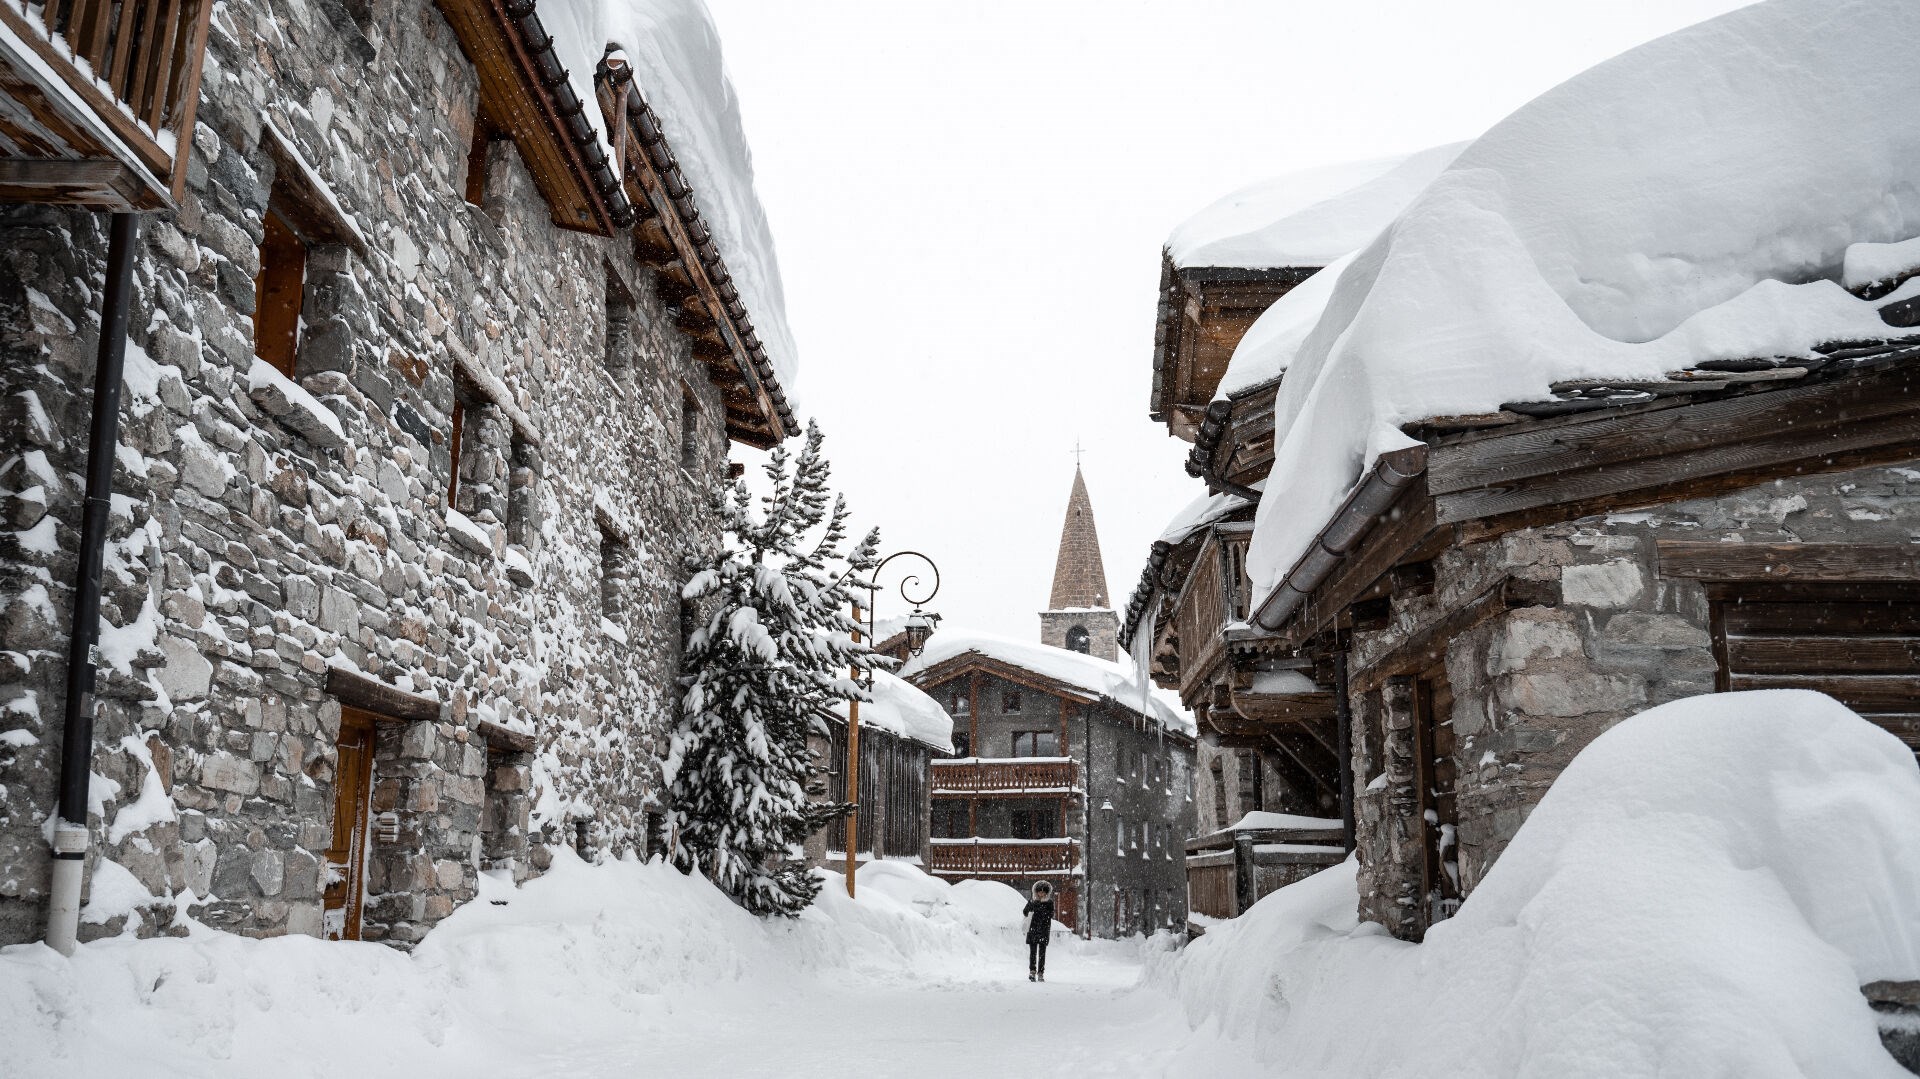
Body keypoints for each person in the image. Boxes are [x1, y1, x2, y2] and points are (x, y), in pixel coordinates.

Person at [1022, 881, 1055, 982]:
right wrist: (1031, 906)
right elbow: (1025, 911)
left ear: (1046, 892)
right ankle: (1032, 971)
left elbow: (1051, 914)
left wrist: (1041, 911)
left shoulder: (1049, 903)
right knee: (1032, 953)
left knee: (1042, 953)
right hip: (1033, 929)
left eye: (1043, 892)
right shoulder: (1032, 901)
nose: (1041, 894)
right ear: (1036, 892)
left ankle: (1040, 973)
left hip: (1044, 930)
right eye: (1039, 891)